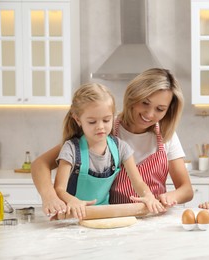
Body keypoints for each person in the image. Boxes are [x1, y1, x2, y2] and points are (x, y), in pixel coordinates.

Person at [31, 68, 193, 218]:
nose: (149, 114)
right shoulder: (103, 128)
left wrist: (168, 197)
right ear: (133, 96)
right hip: (113, 218)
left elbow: (186, 190)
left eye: (160, 109)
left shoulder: (166, 136)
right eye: (145, 103)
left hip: (153, 217)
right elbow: (40, 164)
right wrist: (51, 197)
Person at [54, 83, 163, 219]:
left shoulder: (121, 148)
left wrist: (148, 195)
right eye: (92, 122)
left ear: (113, 116)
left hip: (104, 216)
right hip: (72, 217)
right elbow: (59, 189)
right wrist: (71, 200)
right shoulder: (70, 149)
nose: (100, 127)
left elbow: (138, 182)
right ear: (78, 119)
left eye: (106, 120)